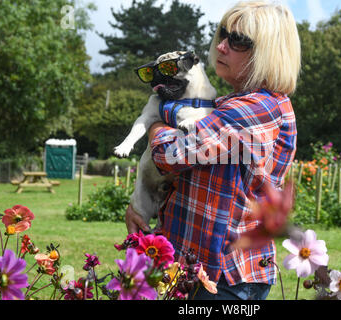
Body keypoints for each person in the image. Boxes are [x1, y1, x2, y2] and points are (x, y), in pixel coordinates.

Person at [125, 0, 301, 300]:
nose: (221, 46)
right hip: (198, 269)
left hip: (226, 279)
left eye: (238, 41)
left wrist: (154, 124)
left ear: (268, 51)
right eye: (223, 35)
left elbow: (171, 156)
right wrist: (140, 206)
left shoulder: (257, 110)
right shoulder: (228, 105)